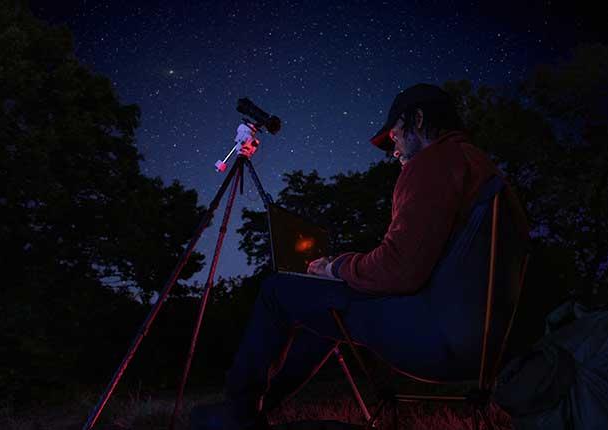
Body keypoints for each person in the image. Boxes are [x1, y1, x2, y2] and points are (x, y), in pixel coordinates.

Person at [190, 83, 530, 430]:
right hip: (484, 343)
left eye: (394, 136)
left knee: (277, 291)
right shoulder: (479, 164)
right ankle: (261, 409)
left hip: (439, 337)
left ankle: (236, 417)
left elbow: (399, 270)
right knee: (322, 310)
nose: (394, 151)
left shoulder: (433, 163)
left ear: (418, 120)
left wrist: (335, 267)